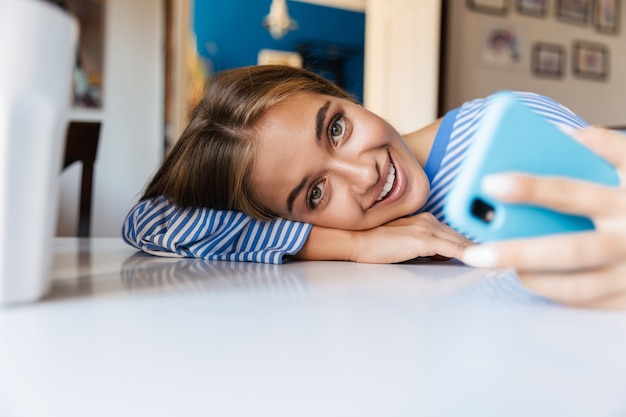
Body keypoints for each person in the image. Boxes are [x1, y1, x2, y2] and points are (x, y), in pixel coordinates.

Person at [122, 65, 626, 308]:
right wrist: (355, 245)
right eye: (315, 194)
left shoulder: (501, 131)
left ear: (341, 96)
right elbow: (152, 221)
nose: (365, 175)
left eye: (336, 128)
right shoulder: (346, 244)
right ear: (289, 218)